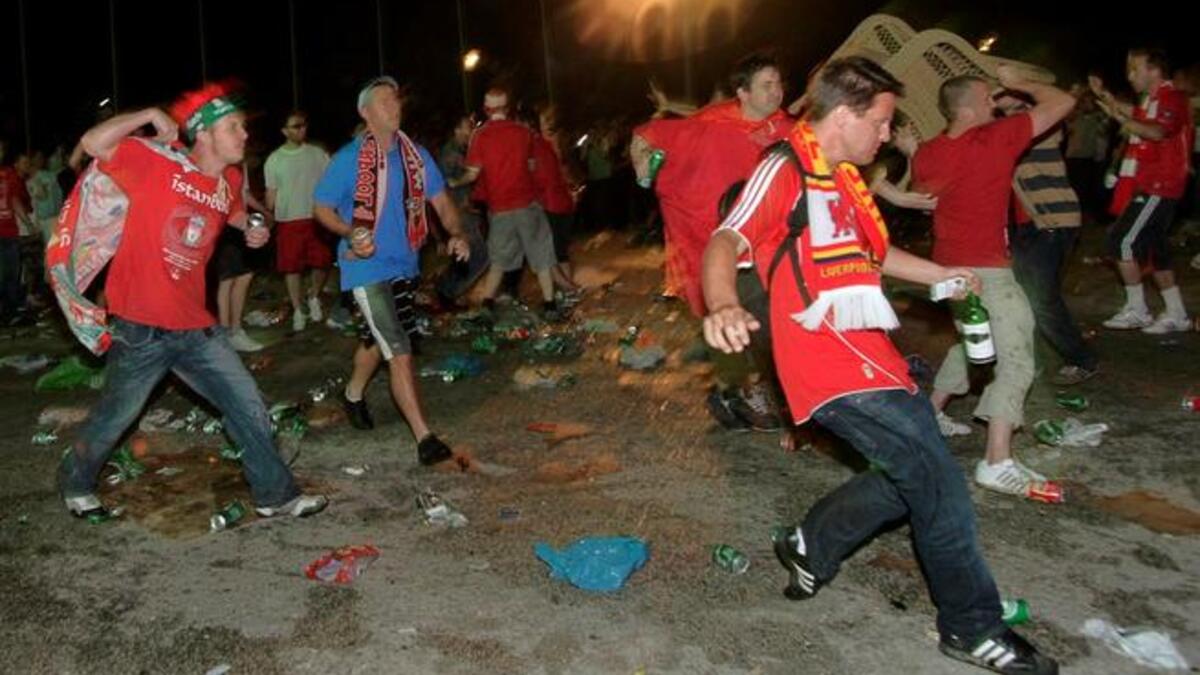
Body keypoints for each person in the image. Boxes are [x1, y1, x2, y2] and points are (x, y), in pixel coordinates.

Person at [703, 57, 1057, 675]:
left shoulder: (842, 181)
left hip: (874, 355)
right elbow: (725, 238)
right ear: (844, 115)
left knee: (908, 475)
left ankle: (813, 541)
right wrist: (724, 304)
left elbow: (878, 251)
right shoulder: (784, 168)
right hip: (825, 362)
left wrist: (941, 273)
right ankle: (971, 627)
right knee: (940, 484)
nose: (888, 134)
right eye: (883, 120)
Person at [53, 84, 328, 521]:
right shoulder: (153, 162)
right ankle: (75, 480)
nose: (243, 135)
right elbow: (93, 144)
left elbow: (230, 212)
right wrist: (148, 111)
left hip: (196, 328)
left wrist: (250, 226)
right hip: (140, 328)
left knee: (248, 404)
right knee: (115, 418)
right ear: (203, 134)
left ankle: (275, 494)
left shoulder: (231, 180)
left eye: (242, 127)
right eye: (232, 127)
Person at [912, 67, 1075, 498]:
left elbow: (925, 197)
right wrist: (1020, 78)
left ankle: (929, 414)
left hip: (946, 270)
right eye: (988, 99)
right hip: (986, 271)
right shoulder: (993, 139)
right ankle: (996, 460)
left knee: (972, 340)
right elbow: (1063, 103)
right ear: (966, 107)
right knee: (1018, 356)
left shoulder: (927, 151)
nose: (996, 103)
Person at [631, 53, 794, 433]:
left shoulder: (789, 130)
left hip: (775, 244)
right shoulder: (713, 125)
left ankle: (757, 392)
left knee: (772, 320)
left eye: (779, 83)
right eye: (767, 85)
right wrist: (643, 166)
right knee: (736, 318)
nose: (778, 92)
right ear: (742, 92)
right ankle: (740, 390)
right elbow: (649, 135)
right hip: (725, 245)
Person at [314, 76, 469, 466]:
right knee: (398, 349)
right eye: (384, 101)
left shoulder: (416, 156)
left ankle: (352, 394)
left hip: (405, 264)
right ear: (366, 113)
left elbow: (441, 202)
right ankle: (425, 437)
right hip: (365, 268)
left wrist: (455, 233)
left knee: (378, 339)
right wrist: (351, 232)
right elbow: (321, 208)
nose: (394, 106)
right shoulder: (348, 159)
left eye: (395, 100)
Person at [995, 91, 1099, 386]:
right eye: (1009, 111)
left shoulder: (1047, 131)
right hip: (1030, 227)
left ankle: (1082, 359)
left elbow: (1055, 102)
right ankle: (1031, 361)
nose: (1013, 116)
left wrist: (1016, 89)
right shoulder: (1010, 135)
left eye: (1020, 109)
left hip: (1055, 223)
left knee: (1042, 299)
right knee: (1024, 297)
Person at [1090, 48, 1195, 334]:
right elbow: (1130, 114)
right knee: (1154, 248)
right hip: (1153, 183)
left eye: (1135, 69)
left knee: (1120, 241)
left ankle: (1137, 310)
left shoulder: (1171, 97)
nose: (1130, 75)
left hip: (1160, 184)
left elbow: (1158, 132)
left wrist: (1124, 119)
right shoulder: (1153, 99)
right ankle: (1176, 313)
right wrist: (1105, 97)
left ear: (1154, 70)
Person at [458, 88, 563, 320]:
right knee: (541, 256)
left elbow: (473, 174)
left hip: (500, 209)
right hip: (527, 204)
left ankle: (487, 304)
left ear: (486, 110)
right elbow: (533, 166)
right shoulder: (523, 132)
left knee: (498, 259)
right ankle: (550, 305)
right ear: (508, 109)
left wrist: (455, 181)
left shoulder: (480, 136)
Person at [264, 111, 333, 332]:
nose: (302, 129)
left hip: (317, 217)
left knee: (322, 262)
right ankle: (297, 309)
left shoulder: (318, 154)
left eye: (304, 125)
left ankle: (313, 296)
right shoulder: (275, 159)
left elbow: (331, 182)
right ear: (284, 131)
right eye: (296, 126)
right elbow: (271, 193)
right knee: (291, 268)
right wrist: (268, 216)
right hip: (288, 220)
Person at [0, 139, 32, 323]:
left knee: (12, 273)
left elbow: (14, 200)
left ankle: (9, 313)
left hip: (10, 233)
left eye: (1, 149)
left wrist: (27, 223)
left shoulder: (9, 173)